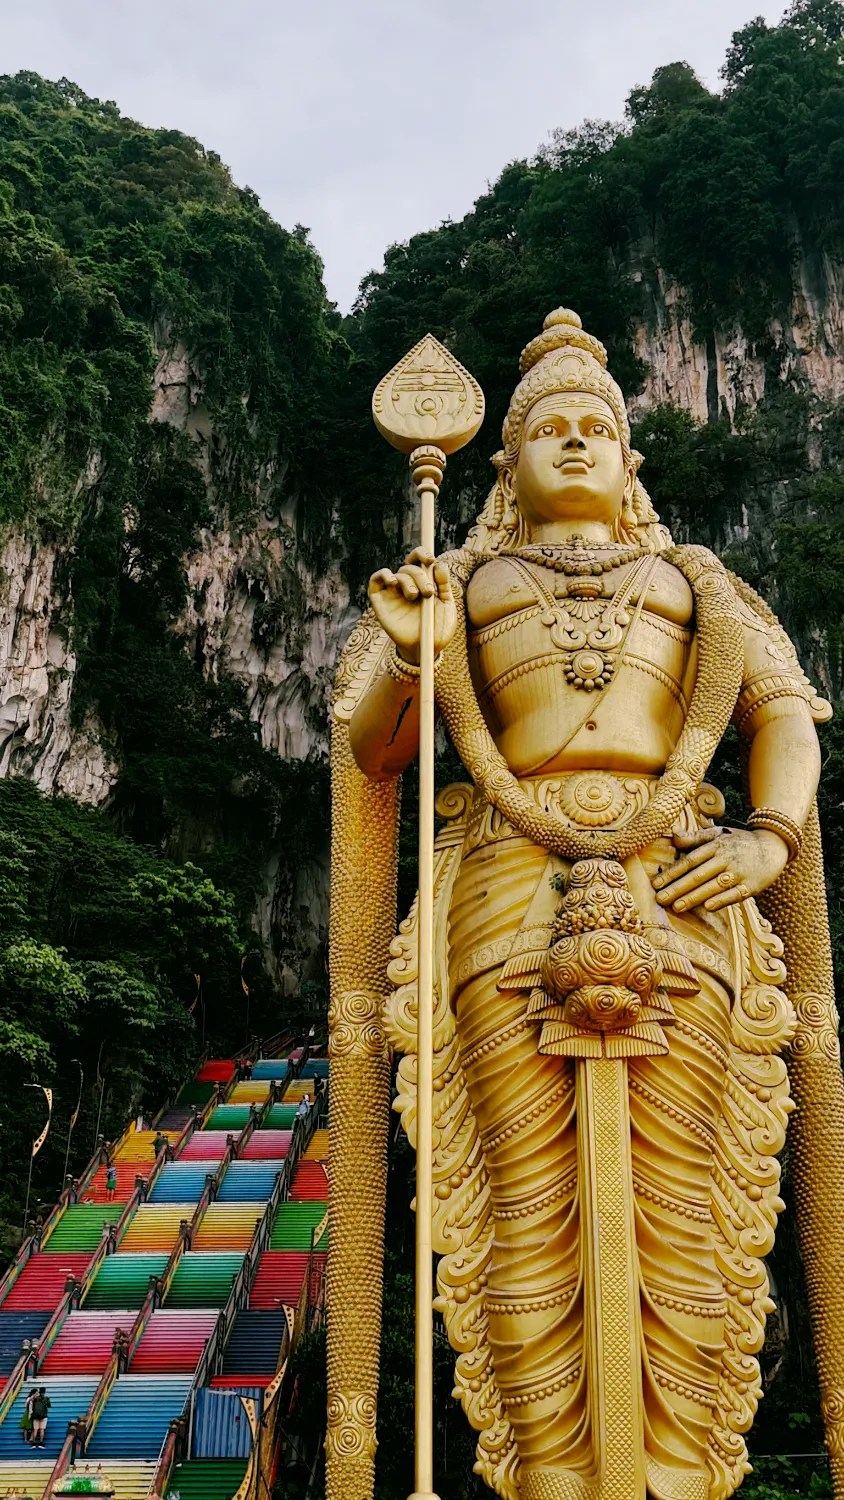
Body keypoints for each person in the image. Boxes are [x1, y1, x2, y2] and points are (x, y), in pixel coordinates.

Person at [328, 308, 844, 1499]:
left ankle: (678, 1471)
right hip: (508, 880)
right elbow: (372, 752)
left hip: (687, 877)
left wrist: (766, 838)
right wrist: (412, 653)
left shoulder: (697, 584)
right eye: (546, 430)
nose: (571, 443)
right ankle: (550, 1475)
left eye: (593, 429)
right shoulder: (455, 580)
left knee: (689, 1189)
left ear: (628, 460)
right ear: (503, 467)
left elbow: (782, 722)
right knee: (520, 1200)